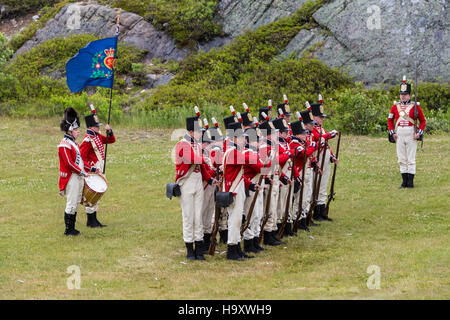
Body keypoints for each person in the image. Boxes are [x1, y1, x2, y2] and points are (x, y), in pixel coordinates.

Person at [175, 116, 216, 261]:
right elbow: (192, 159)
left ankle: (199, 248)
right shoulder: (182, 144)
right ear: (191, 132)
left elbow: (201, 168)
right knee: (189, 216)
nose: (200, 134)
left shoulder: (197, 145)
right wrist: (205, 158)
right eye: (199, 132)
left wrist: (210, 179)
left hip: (198, 182)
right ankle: (189, 249)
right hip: (186, 183)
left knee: (198, 215)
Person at [79, 105, 116, 227]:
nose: (98, 128)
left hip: (99, 168)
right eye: (96, 126)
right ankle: (91, 220)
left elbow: (111, 141)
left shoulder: (97, 136)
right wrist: (92, 169)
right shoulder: (87, 140)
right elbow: (81, 159)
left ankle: (94, 220)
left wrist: (109, 131)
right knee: (93, 195)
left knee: (98, 195)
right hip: (93, 170)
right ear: (90, 127)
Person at [388, 76, 426, 188]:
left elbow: (423, 121)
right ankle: (404, 182)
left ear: (409, 95)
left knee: (411, 158)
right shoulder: (395, 107)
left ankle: (410, 182)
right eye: (401, 94)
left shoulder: (415, 107)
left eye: (405, 94)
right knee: (401, 158)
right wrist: (392, 132)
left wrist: (420, 132)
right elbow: (390, 120)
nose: (403, 96)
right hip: (399, 133)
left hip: (411, 133)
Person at [58, 107, 88, 236]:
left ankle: (72, 228)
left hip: (77, 176)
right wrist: (81, 172)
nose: (78, 132)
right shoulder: (64, 144)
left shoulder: (73, 143)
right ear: (70, 130)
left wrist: (88, 170)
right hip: (71, 177)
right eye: (76, 129)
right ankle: (68, 230)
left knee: (76, 201)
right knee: (71, 202)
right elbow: (69, 163)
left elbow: (80, 160)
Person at [310, 97, 339, 222]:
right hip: (318, 158)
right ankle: (316, 211)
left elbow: (326, 145)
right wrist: (330, 134)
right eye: (320, 117)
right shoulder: (313, 130)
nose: (322, 119)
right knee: (317, 185)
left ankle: (321, 211)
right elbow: (319, 138)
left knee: (323, 184)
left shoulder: (320, 128)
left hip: (325, 158)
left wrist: (332, 156)